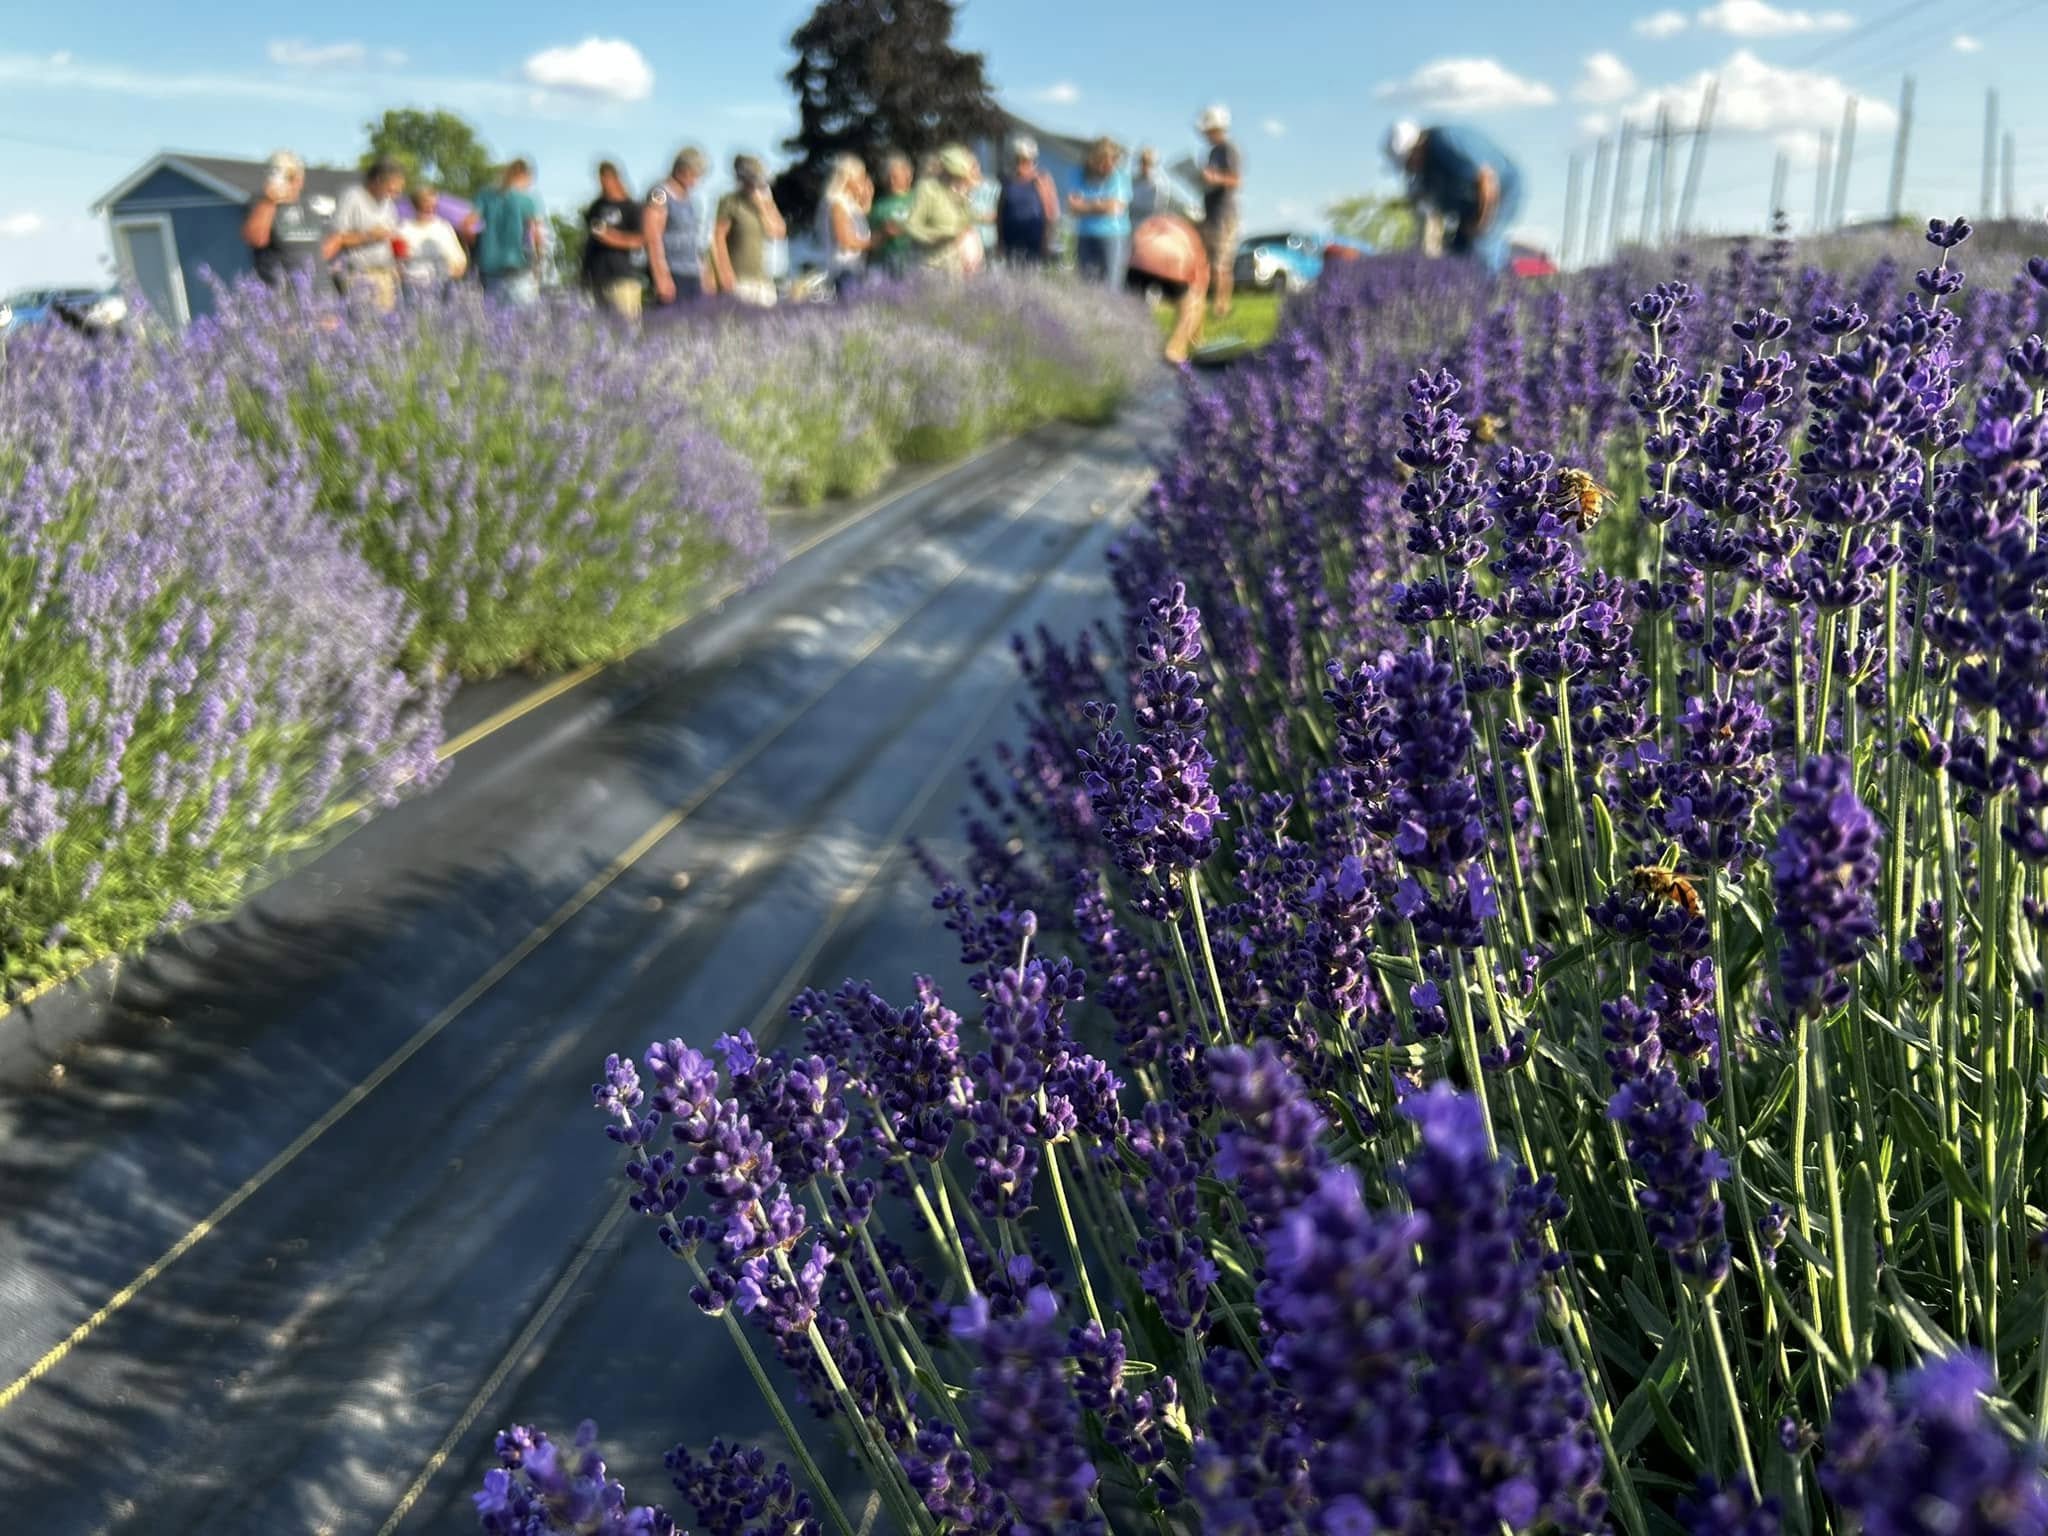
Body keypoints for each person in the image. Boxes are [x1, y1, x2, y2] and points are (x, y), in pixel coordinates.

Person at [1385, 120, 1524, 276]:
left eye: (1408, 162)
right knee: (1458, 253)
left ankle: (1493, 291)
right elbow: (1428, 198)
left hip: (1501, 190)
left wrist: (1481, 223)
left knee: (1482, 246)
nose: (1410, 169)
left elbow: (1487, 179)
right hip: (1472, 204)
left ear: (1416, 148)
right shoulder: (1427, 166)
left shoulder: (1444, 142)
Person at [1128, 212, 1210, 364]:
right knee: (1190, 305)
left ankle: (1132, 349)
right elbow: (1199, 293)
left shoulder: (1163, 220)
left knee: (1134, 307)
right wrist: (1197, 338)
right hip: (1171, 259)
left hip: (1137, 260)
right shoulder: (1194, 238)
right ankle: (1174, 350)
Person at [326, 158, 405, 313]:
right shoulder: (352, 197)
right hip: (360, 275)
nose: (395, 195)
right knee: (364, 325)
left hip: (385, 274)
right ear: (378, 181)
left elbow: (392, 235)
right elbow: (337, 237)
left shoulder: (388, 203)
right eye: (392, 189)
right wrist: (369, 236)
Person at [242, 150, 327, 290]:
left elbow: (325, 246)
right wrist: (270, 201)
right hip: (282, 298)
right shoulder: (260, 203)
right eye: (287, 176)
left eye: (295, 175)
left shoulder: (310, 205)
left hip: (319, 294)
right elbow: (256, 239)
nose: (294, 181)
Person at [711, 155, 785, 307]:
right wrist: (724, 272)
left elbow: (778, 232)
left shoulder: (766, 203)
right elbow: (718, 238)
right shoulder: (730, 202)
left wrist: (764, 206)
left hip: (763, 278)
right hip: (740, 277)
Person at [645, 148, 712, 309]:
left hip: (691, 272)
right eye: (695, 174)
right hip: (672, 271)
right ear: (682, 170)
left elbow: (695, 240)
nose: (696, 181)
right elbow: (652, 237)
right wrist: (661, 276)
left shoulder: (688, 200)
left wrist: (705, 273)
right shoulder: (660, 194)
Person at [475, 158, 545, 306]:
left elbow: (469, 225)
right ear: (524, 175)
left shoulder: (484, 195)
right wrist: (539, 261)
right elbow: (536, 235)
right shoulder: (527, 199)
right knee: (524, 321)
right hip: (519, 267)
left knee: (493, 321)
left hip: (489, 267)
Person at [582, 161, 645, 319]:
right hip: (596, 276)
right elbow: (596, 232)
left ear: (616, 179)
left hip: (622, 277)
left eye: (607, 178)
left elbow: (640, 239)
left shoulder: (632, 207)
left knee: (626, 326)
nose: (604, 183)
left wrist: (614, 238)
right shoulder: (596, 207)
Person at [1197, 105, 1242, 318]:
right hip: (1210, 211)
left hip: (1224, 213)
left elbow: (1235, 180)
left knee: (1221, 263)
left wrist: (1215, 179)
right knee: (1210, 261)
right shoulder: (1212, 152)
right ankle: (1213, 303)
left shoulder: (1228, 149)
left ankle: (1222, 306)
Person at [905, 145, 979, 274]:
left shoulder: (961, 193)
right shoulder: (927, 189)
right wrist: (934, 237)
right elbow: (911, 226)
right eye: (955, 176)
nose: (958, 179)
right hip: (929, 264)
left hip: (954, 264)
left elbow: (966, 223)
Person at [1069, 137, 1132, 288]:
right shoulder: (1078, 173)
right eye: (1103, 162)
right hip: (1085, 235)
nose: (1108, 166)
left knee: (1111, 285)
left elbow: (1116, 208)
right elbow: (1073, 207)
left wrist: (1087, 205)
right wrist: (1100, 204)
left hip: (1113, 237)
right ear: (1093, 159)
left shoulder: (1121, 177)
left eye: (1112, 161)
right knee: (1085, 285)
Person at [996, 137, 1059, 266]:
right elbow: (1000, 211)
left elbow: (1051, 213)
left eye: (1025, 159)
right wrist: (1000, 241)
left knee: (1031, 274)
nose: (1020, 163)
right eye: (1017, 158)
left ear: (1032, 159)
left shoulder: (1042, 179)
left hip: (1034, 237)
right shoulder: (1008, 181)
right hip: (1011, 236)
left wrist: (1047, 240)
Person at [397, 181, 467, 297]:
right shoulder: (403, 229)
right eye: (425, 204)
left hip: (442, 282)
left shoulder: (443, 227)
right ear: (416, 205)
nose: (430, 208)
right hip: (413, 283)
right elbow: (398, 260)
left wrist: (459, 266)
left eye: (433, 205)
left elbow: (457, 255)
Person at [816, 153, 872, 295]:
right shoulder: (837, 204)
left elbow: (860, 218)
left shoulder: (848, 203)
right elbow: (846, 241)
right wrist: (878, 239)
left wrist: (867, 196)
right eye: (861, 177)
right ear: (848, 178)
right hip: (844, 270)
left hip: (854, 269)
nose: (865, 181)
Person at [868, 153, 916, 280]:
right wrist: (884, 233)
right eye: (888, 177)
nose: (891, 181)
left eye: (895, 177)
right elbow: (870, 242)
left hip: (917, 257)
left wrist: (905, 229)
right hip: (888, 262)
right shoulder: (878, 207)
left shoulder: (920, 198)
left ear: (908, 176)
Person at [1129, 146, 1167, 223]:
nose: (1144, 167)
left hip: (1149, 226)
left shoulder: (1158, 185)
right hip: (1131, 224)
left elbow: (1155, 209)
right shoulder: (1133, 182)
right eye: (1143, 163)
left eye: (1148, 163)